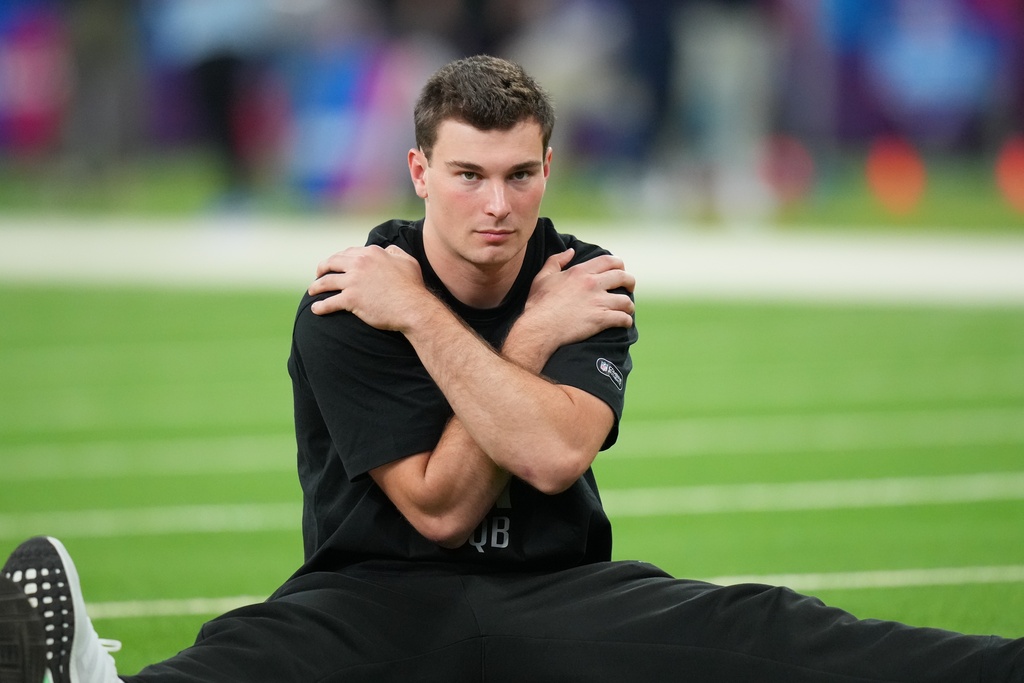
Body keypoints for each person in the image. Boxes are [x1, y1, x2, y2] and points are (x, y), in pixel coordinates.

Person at [2, 54, 1022, 683]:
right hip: (375, 595)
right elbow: (439, 507)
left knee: (775, 632)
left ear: (547, 169)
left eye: (519, 173)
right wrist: (501, 336)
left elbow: (548, 450)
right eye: (468, 175)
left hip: (558, 591)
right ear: (420, 172)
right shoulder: (352, 293)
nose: (496, 203)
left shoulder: (583, 278)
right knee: (249, 655)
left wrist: (507, 335)